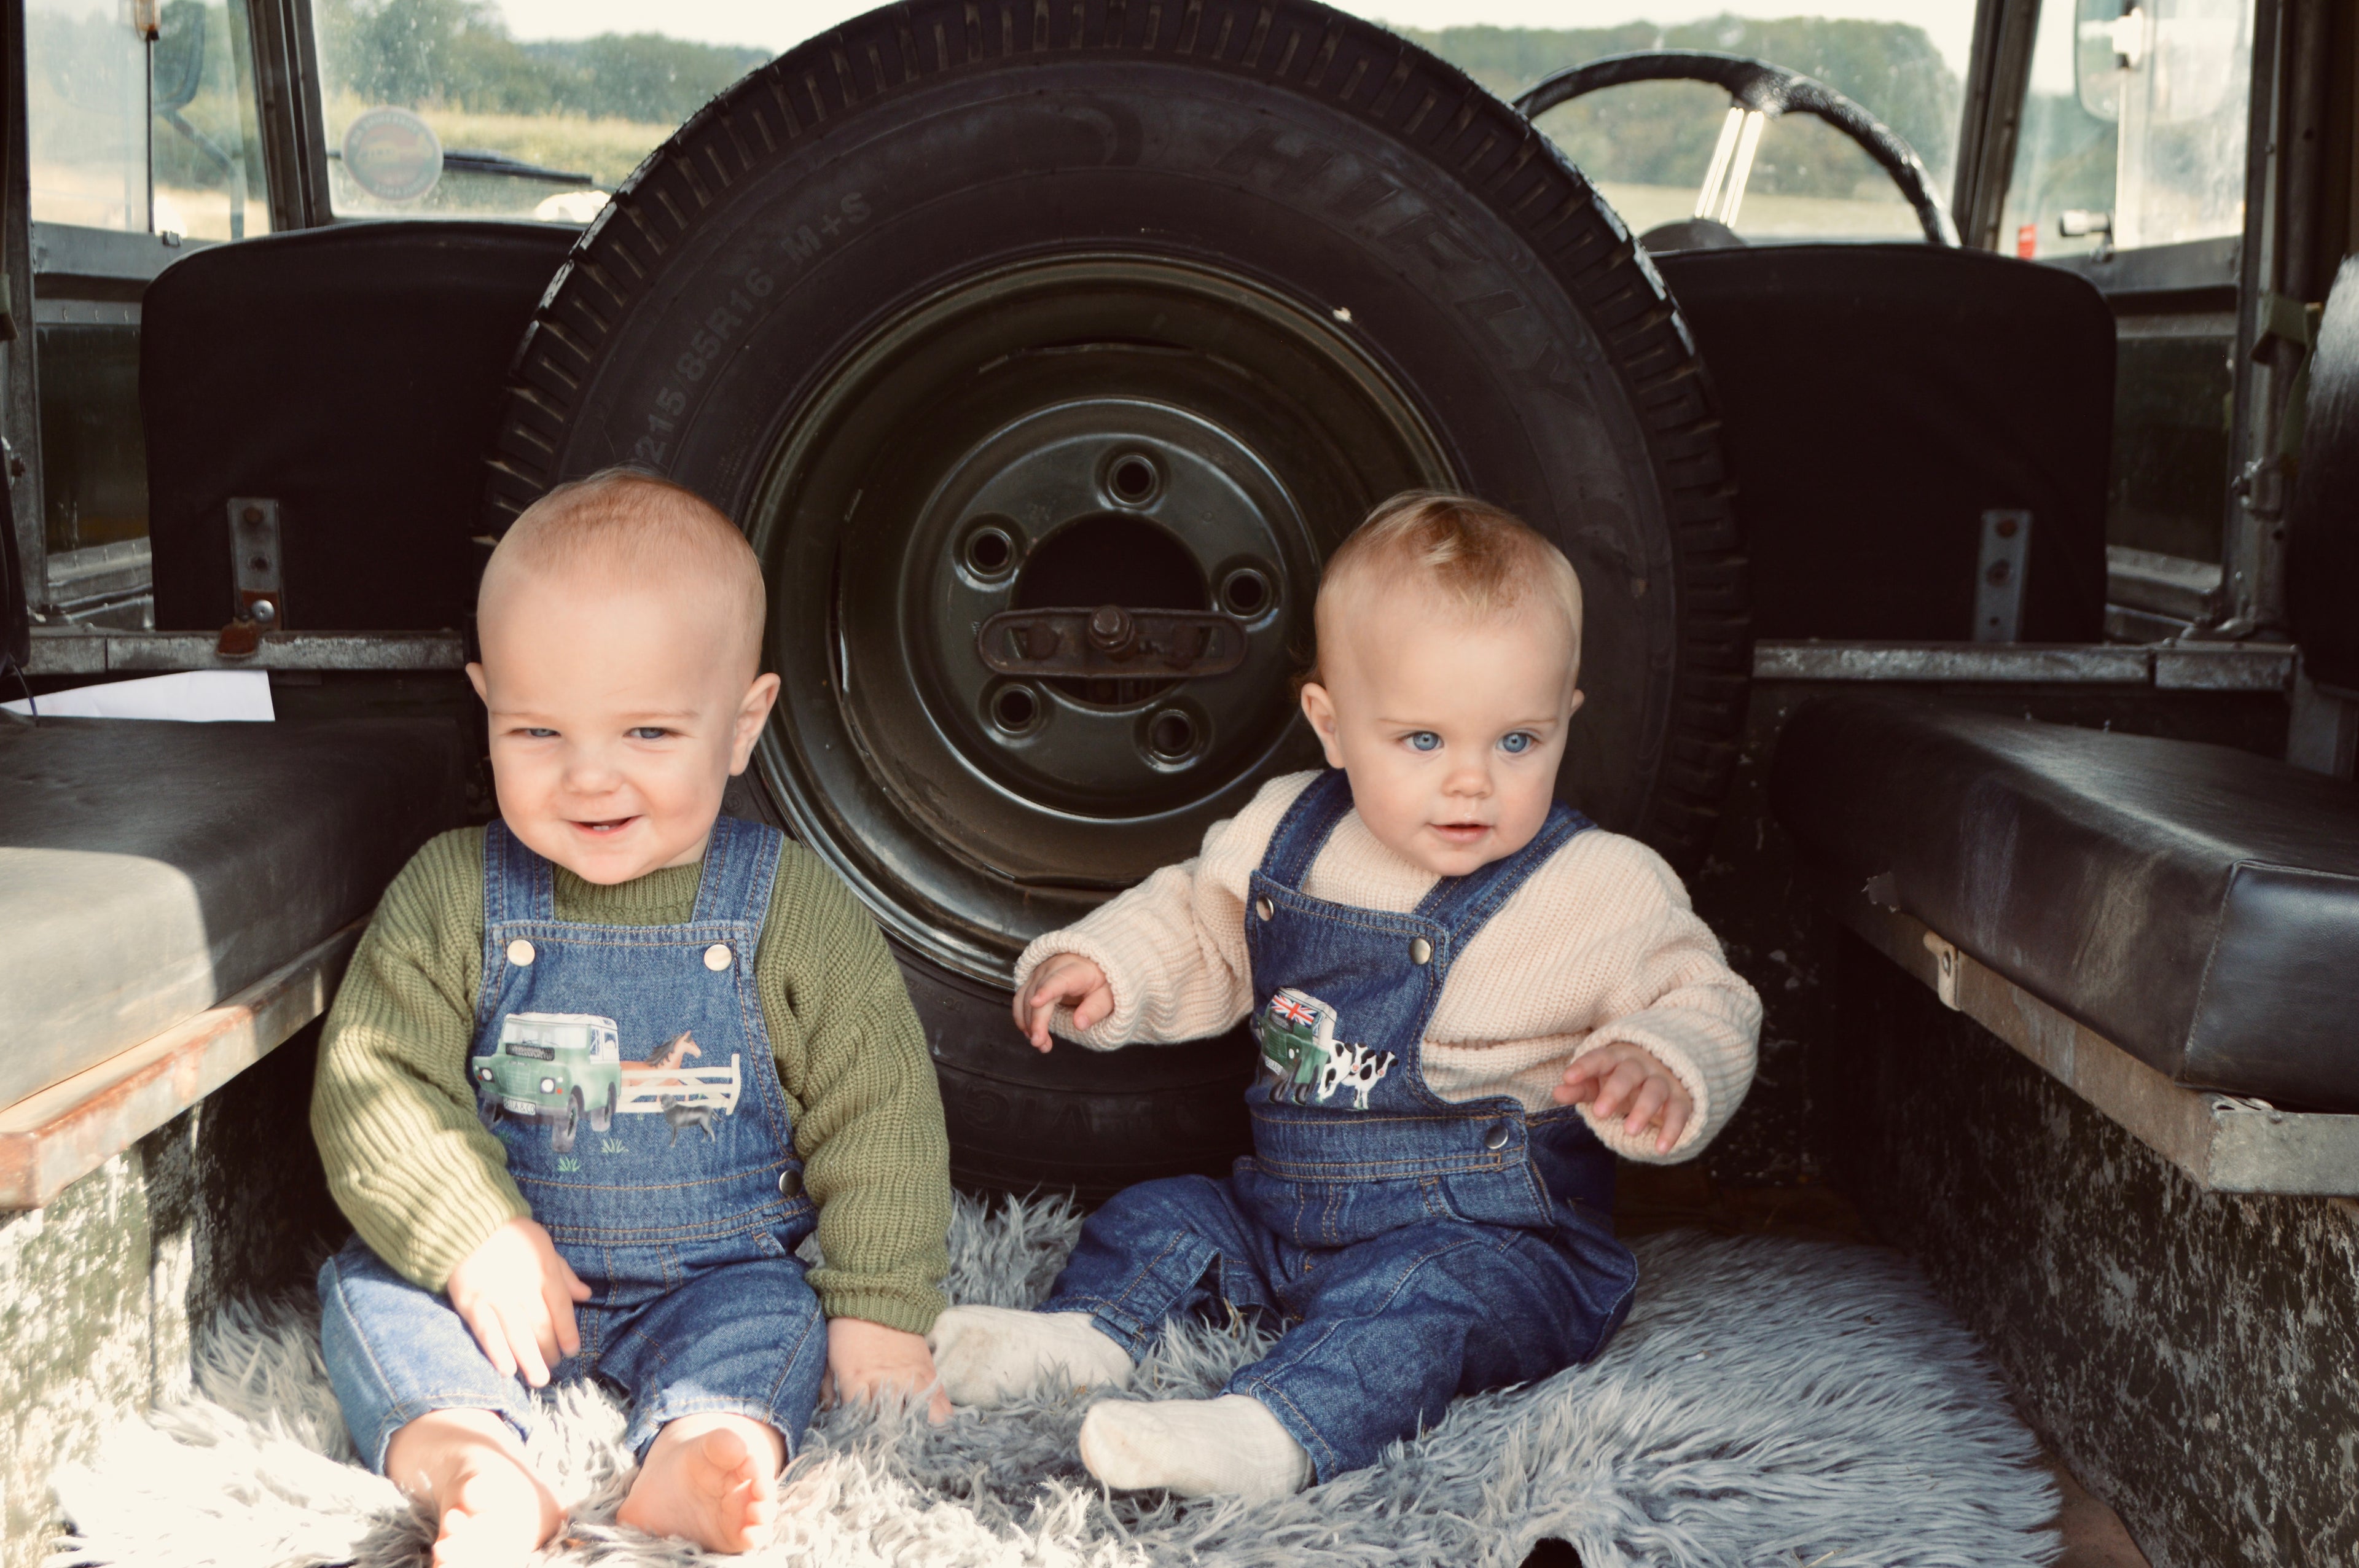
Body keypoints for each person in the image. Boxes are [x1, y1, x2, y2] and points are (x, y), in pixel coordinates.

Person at [928, 492, 1762, 1500]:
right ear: (1331, 723)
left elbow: (1706, 995)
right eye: (1422, 741)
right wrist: (1114, 969)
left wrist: (1663, 1058)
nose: (1471, 784)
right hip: (1285, 1212)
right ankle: (1087, 1336)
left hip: (1498, 1238)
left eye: (1517, 742)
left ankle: (1270, 1430)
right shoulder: (1289, 831)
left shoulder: (1601, 886)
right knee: (1163, 1215)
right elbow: (1198, 921)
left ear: (1564, 717)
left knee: (1423, 1304)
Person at [310, 469, 953, 1564]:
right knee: (371, 1297)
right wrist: (470, 1229)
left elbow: (879, 1106)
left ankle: (700, 1454)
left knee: (779, 1324)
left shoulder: (787, 908)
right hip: (503, 1286)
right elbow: (375, 1080)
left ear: (743, 723)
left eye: (649, 732)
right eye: (538, 732)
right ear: (486, 708)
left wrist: (882, 1308)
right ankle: (474, 1465)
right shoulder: (449, 891)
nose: (590, 776)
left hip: (715, 1273)